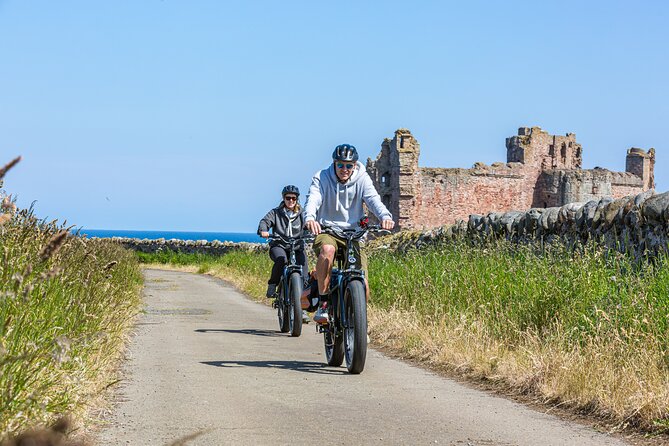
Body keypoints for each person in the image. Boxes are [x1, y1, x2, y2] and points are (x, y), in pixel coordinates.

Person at [304, 144, 395, 324]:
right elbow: (313, 198)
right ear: (334, 164)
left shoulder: (362, 178)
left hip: (354, 233)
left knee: (363, 284)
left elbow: (373, 199)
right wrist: (310, 218)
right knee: (328, 249)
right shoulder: (321, 177)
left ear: (354, 165)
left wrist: (385, 216)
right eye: (340, 165)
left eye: (349, 166)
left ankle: (358, 325)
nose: (344, 169)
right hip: (327, 229)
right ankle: (323, 303)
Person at [257, 185, 310, 322]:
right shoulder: (275, 213)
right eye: (288, 198)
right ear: (283, 198)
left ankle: (302, 308)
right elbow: (265, 222)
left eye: (293, 198)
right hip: (279, 245)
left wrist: (312, 228)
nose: (291, 201)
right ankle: (273, 284)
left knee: (304, 271)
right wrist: (264, 230)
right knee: (281, 260)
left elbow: (309, 223)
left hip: (297, 246)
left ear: (297, 199)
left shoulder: (303, 214)